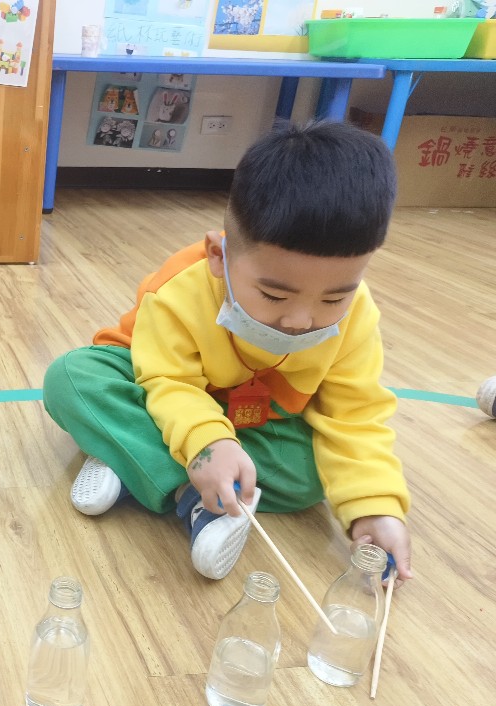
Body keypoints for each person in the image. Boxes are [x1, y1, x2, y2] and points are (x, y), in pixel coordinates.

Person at [42, 120, 412, 585]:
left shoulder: (359, 317)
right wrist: (206, 443)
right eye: (274, 295)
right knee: (71, 378)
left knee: (311, 477)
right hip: (156, 392)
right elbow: (168, 381)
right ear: (218, 256)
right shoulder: (179, 290)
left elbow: (354, 416)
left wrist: (374, 506)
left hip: (257, 417)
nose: (301, 320)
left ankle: (132, 458)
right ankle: (190, 492)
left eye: (335, 297)